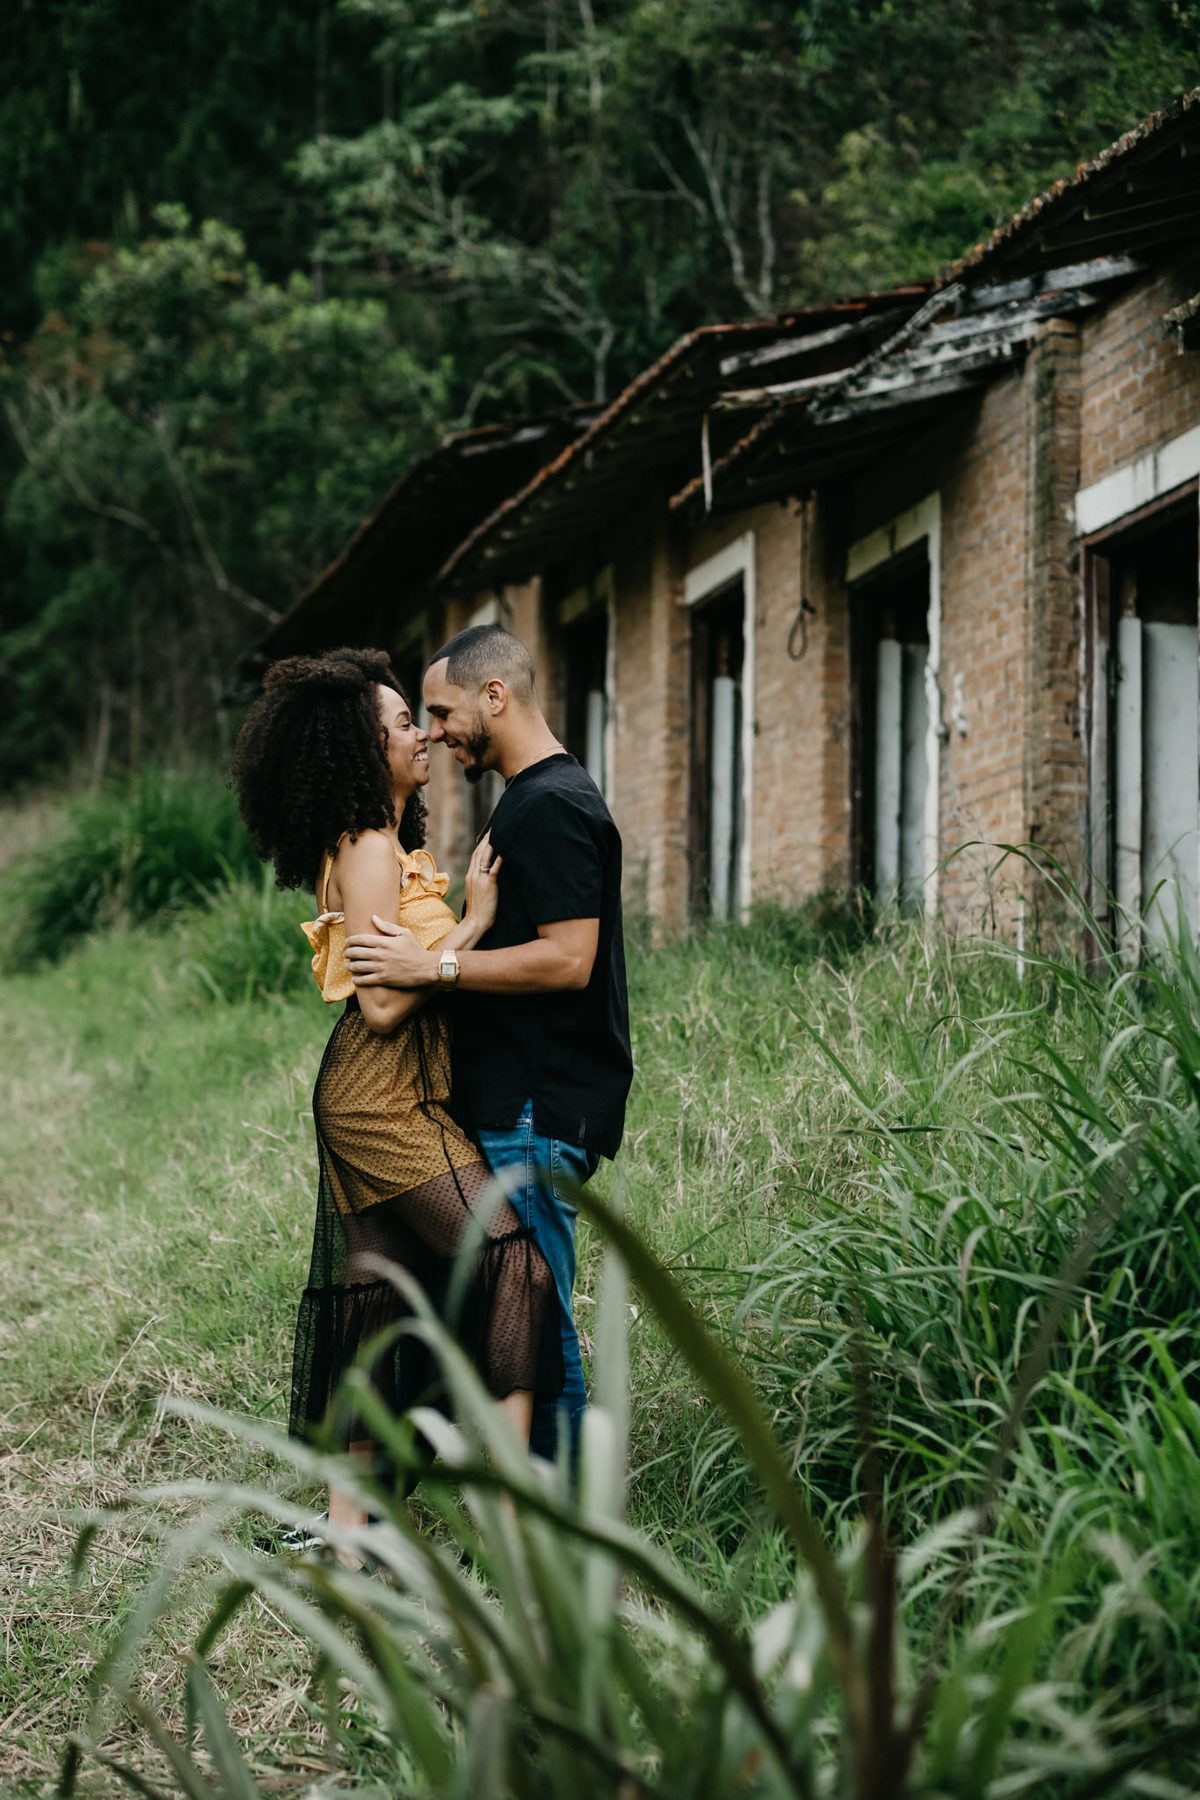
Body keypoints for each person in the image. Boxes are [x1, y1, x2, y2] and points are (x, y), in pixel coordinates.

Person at [230, 647, 560, 1543]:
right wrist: (477, 925)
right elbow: (381, 1004)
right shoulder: (371, 847)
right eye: (402, 723)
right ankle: (520, 1511)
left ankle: (349, 1529)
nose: (421, 733)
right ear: (362, 747)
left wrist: (448, 939)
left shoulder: (383, 840)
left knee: (375, 1301)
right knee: (512, 1263)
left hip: (392, 1091)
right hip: (382, 1098)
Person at [345, 625, 633, 1463]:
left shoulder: (549, 804)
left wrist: (434, 965)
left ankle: (565, 1528)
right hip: (519, 1104)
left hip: (539, 1107)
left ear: (494, 696)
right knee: (518, 1318)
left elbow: (568, 960)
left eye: (440, 711)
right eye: (421, 718)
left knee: (536, 1324)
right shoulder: (536, 798)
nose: (433, 731)